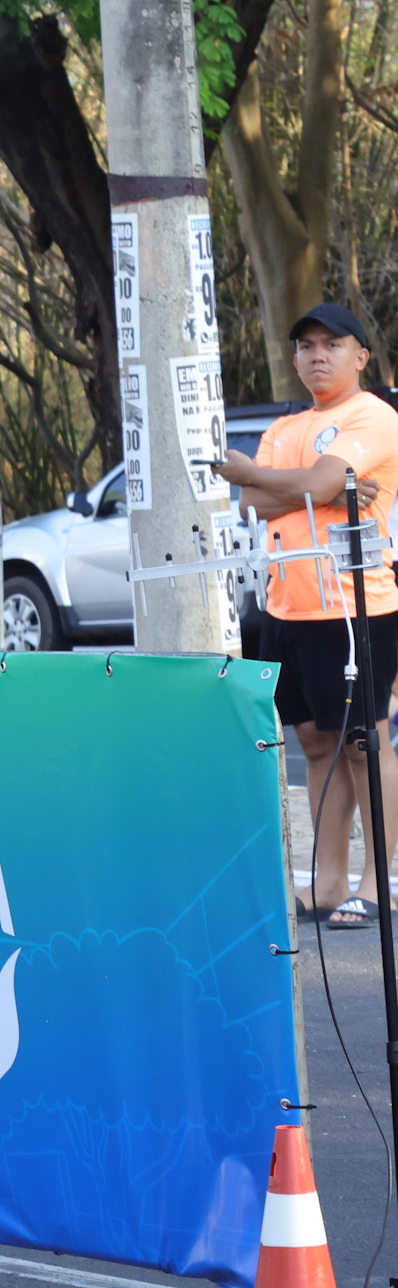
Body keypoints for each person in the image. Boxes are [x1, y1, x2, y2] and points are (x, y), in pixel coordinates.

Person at [217, 304, 398, 927]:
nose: (318, 355)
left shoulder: (372, 414)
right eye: (307, 347)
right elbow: (256, 502)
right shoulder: (287, 425)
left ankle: (375, 886)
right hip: (287, 606)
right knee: (316, 744)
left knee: (363, 743)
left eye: (333, 344)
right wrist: (301, 485)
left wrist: (279, 480)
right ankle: (325, 884)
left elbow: (304, 486)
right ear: (294, 359)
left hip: (354, 605)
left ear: (360, 357)